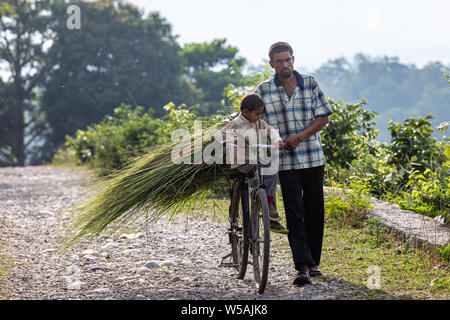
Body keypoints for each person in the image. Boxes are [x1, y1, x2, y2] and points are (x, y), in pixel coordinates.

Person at [254, 42, 333, 286]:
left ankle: (314, 261)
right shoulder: (263, 90)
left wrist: (299, 137)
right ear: (272, 64)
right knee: (294, 212)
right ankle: (303, 266)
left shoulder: (309, 83)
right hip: (285, 163)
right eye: (279, 61)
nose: (285, 65)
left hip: (312, 157)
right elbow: (257, 122)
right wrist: (274, 141)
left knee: (315, 210)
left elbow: (324, 117)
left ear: (293, 59)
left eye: (288, 60)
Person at [214, 93, 288, 234]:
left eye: (261, 113)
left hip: (256, 161)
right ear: (245, 112)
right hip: (242, 162)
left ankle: (268, 204)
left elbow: (270, 131)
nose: (260, 116)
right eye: (257, 113)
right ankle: (266, 204)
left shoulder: (258, 122)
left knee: (271, 168)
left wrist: (277, 141)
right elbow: (218, 138)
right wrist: (232, 143)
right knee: (264, 166)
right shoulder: (235, 124)